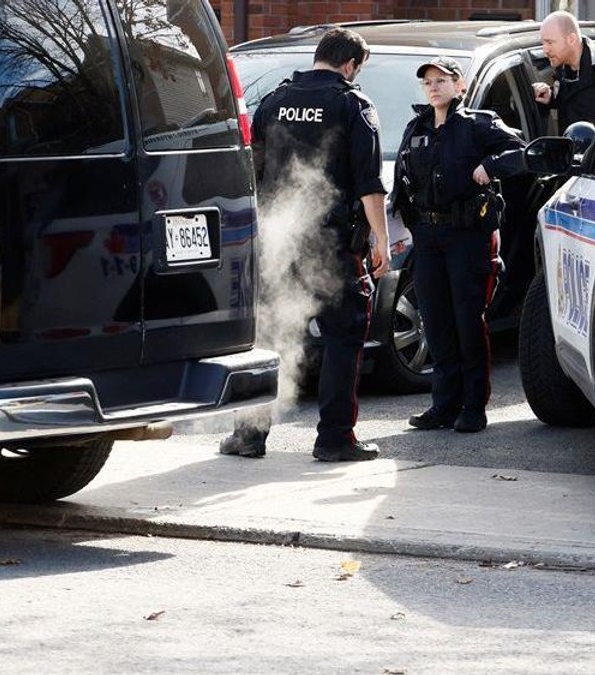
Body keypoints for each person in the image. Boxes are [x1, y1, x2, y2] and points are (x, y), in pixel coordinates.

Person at [221, 27, 390, 462]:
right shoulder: (353, 104)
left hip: (278, 239)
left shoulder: (275, 100)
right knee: (343, 336)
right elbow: (370, 185)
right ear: (350, 65)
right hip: (332, 244)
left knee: (273, 335)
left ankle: (249, 436)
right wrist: (380, 240)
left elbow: (251, 169)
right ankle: (335, 439)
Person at [393, 56, 526, 433]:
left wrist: (491, 167)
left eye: (441, 80)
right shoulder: (416, 127)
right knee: (434, 321)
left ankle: (473, 405)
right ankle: (444, 403)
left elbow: (521, 153)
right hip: (428, 236)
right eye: (428, 82)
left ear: (459, 85)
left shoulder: (476, 125)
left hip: (467, 235)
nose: (434, 87)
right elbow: (403, 179)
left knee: (468, 321)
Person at [532, 11, 595, 132]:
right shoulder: (562, 66)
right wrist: (551, 97)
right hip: (571, 148)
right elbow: (573, 99)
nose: (545, 49)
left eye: (550, 42)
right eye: (543, 43)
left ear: (571, 39)